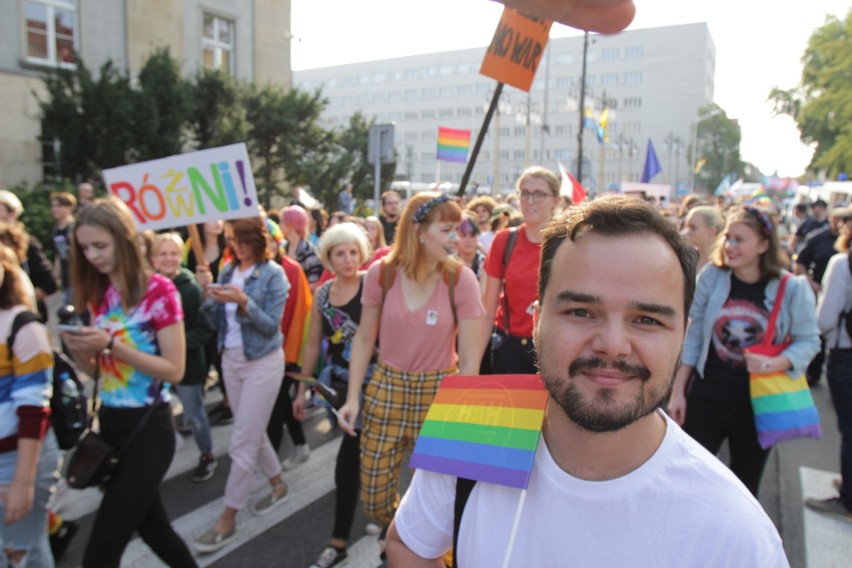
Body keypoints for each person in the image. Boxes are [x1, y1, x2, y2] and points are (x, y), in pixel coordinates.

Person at [387, 195, 788, 567]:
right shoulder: (477, 425)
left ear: (684, 333)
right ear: (537, 319)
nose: (613, 346)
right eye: (581, 312)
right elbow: (408, 543)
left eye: (647, 320)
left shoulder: (738, 534)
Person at [338, 192, 485, 544]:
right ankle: (404, 538)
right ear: (418, 231)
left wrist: (464, 411)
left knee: (439, 499)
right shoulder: (381, 274)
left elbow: (469, 359)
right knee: (373, 498)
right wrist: (351, 398)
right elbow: (362, 340)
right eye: (447, 229)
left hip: (439, 393)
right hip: (387, 387)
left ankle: (412, 552)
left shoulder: (460, 279)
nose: (456, 238)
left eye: (458, 229)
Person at [61, 197, 196, 568]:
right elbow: (99, 373)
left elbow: (174, 369)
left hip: (149, 429)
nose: (92, 255)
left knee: (100, 554)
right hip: (111, 425)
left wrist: (110, 344)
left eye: (100, 246)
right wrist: (80, 351)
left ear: (124, 239)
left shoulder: (160, 291)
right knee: (156, 532)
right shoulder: (101, 293)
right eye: (85, 248)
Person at [668, 206, 820, 497]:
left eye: (739, 239)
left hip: (758, 404)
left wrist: (775, 362)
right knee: (688, 478)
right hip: (707, 397)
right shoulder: (712, 276)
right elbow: (694, 335)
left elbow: (809, 340)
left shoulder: (791, 288)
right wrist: (678, 392)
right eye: (727, 237)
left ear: (764, 244)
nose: (729, 246)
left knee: (743, 487)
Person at [194, 216, 290, 554]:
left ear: (258, 241)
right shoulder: (226, 270)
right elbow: (211, 318)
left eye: (242, 240)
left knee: (242, 441)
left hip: (262, 361)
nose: (235, 246)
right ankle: (277, 483)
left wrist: (243, 301)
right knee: (252, 432)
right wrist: (205, 291)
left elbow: (270, 328)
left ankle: (228, 516)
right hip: (230, 360)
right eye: (232, 240)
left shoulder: (274, 275)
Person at [293, 222, 376, 568]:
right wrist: (302, 388)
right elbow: (314, 344)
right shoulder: (323, 295)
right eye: (340, 253)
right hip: (338, 385)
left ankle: (339, 542)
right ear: (328, 257)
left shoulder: (373, 284)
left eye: (354, 251)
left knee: (350, 458)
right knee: (362, 456)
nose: (348, 259)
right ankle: (385, 514)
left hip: (376, 384)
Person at [0, 245, 59, 568]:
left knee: (24, 551)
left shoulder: (23, 327)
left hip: (18, 459)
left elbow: (33, 410)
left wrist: (22, 482)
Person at [151, 233, 217, 483]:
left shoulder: (188, 288)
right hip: (157, 366)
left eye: (174, 253)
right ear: (154, 258)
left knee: (194, 414)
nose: (169, 259)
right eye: (163, 254)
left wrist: (177, 346)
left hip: (188, 365)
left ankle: (207, 454)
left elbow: (205, 326)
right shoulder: (150, 286)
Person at [482, 167, 561, 375]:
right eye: (524, 193)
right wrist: (473, 363)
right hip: (509, 346)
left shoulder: (567, 243)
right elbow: (488, 308)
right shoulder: (504, 240)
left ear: (556, 200)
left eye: (538, 194)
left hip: (553, 346)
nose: (529, 200)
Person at [808, 205, 852, 521]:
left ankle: (848, 499)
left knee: (849, 430)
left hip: (846, 354)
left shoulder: (843, 263)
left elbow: (824, 319)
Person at [185, 220, 232, 425]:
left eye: (219, 219)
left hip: (223, 313)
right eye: (211, 219)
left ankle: (229, 403)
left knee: (222, 359)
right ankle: (194, 410)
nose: (217, 223)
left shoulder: (229, 247)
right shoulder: (190, 246)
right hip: (199, 312)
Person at [796, 206, 847, 385]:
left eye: (846, 219)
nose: (842, 223)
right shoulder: (818, 238)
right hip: (821, 297)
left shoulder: (842, 262)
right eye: (841, 219)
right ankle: (813, 372)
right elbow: (800, 262)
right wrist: (811, 283)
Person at [0, 190, 57, 323]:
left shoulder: (27, 242)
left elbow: (48, 284)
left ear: (12, 213)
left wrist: (17, 301)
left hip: (22, 322)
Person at [281, 205, 324, 290]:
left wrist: (295, 291)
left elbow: (315, 282)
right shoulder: (283, 248)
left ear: (292, 223)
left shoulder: (308, 251)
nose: (280, 225)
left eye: (282, 221)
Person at [50, 191, 77, 305]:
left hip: (77, 278)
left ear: (69, 207)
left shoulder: (75, 227)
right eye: (53, 206)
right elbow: (58, 255)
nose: (55, 209)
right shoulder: (56, 230)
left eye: (59, 206)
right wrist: (54, 279)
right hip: (66, 279)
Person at [682, 205, 724, 273]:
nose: (686, 232)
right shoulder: (685, 259)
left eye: (693, 227)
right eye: (686, 227)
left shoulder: (724, 262)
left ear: (712, 231)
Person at [456, 211, 486, 294]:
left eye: (472, 235)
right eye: (463, 235)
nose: (468, 240)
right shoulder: (448, 263)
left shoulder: (485, 262)